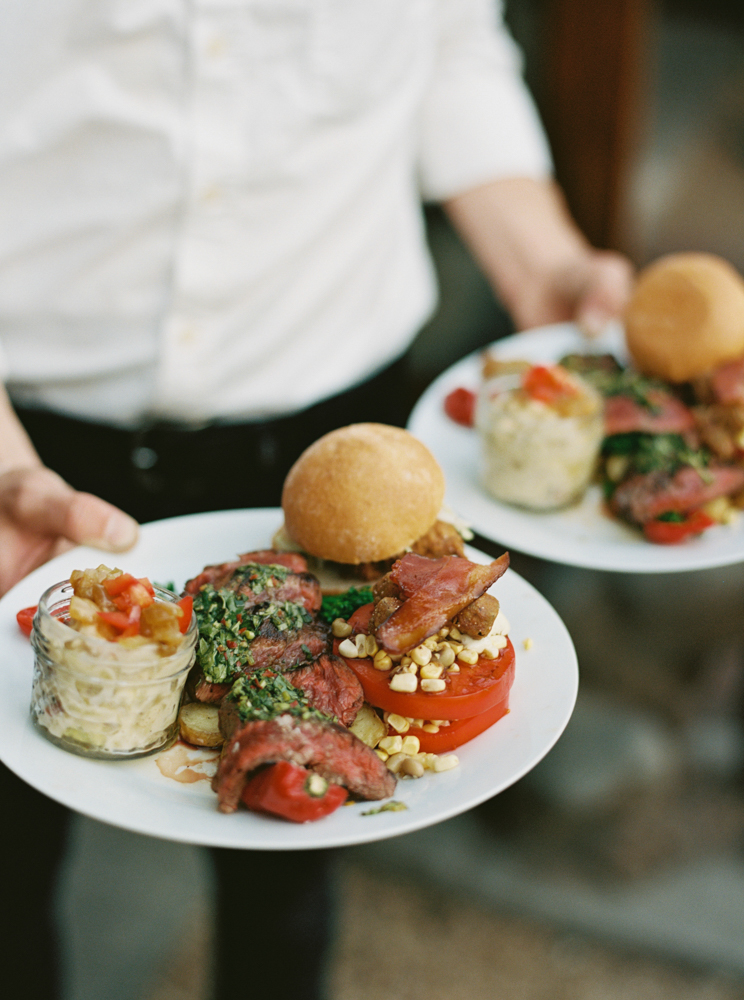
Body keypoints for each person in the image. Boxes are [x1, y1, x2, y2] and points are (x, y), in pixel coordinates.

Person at [0, 2, 634, 998]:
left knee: (290, 876)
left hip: (344, 453)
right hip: (26, 445)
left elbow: (449, 39)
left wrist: (541, 257)